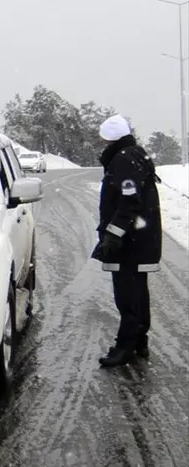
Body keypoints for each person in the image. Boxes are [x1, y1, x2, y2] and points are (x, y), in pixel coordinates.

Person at [91, 114, 162, 367]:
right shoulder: (135, 155)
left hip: (130, 242)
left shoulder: (123, 161)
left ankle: (125, 347)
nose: (102, 144)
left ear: (111, 138)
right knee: (138, 292)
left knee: (127, 295)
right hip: (142, 237)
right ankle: (139, 341)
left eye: (103, 138)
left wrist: (113, 234)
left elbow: (129, 201)